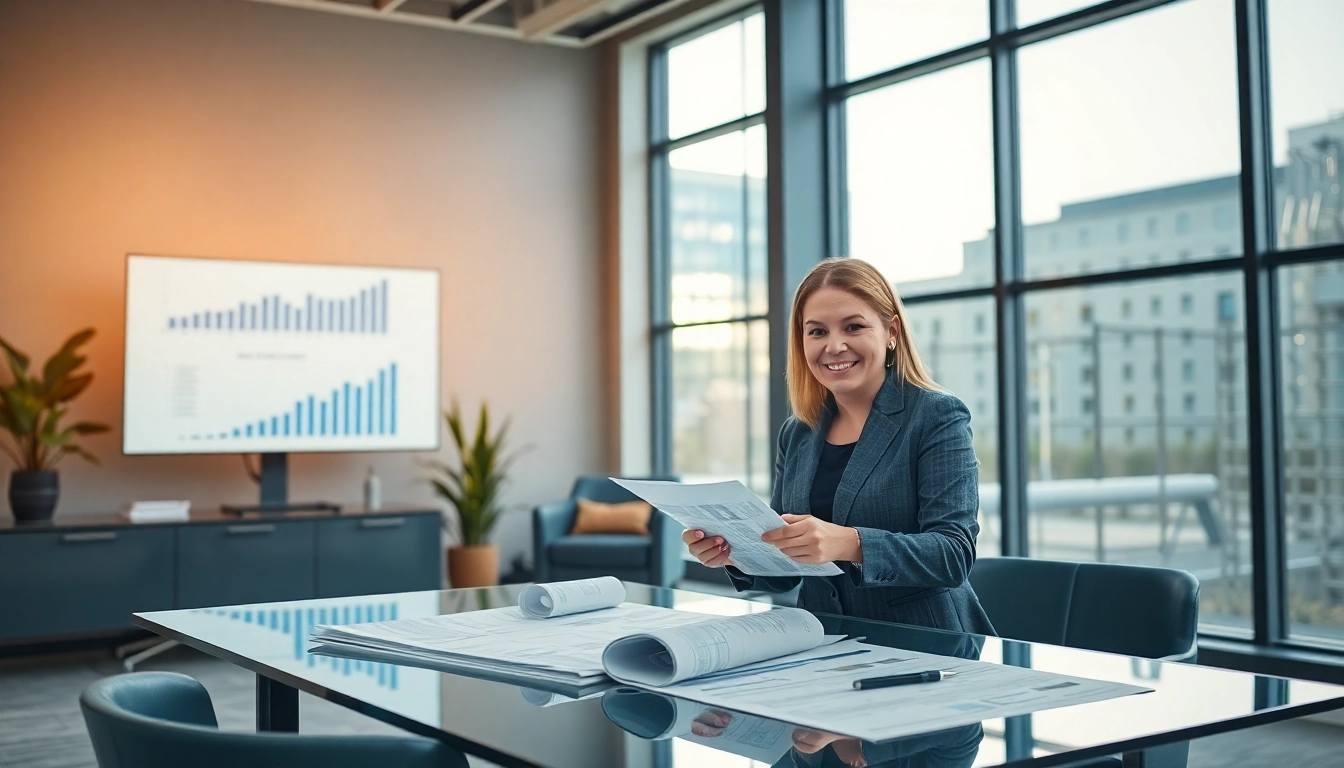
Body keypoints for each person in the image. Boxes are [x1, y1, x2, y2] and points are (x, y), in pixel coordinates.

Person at [683, 257, 994, 634]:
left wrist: (850, 543)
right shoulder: (798, 432)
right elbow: (785, 572)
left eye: (853, 327)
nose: (834, 346)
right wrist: (734, 554)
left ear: (891, 331)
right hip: (823, 638)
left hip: (925, 640)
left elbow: (953, 555)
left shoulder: (935, 416)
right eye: (817, 331)